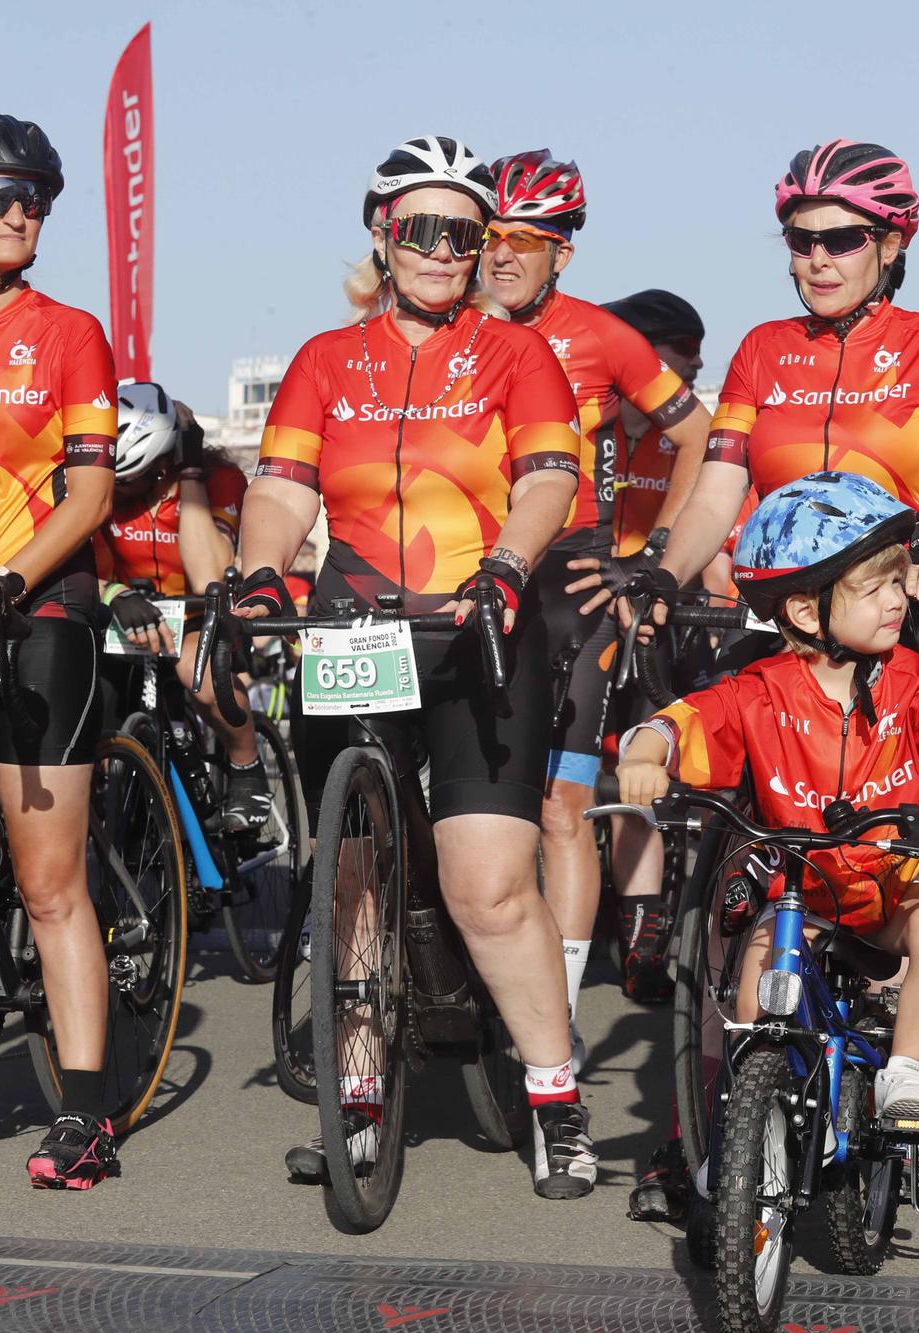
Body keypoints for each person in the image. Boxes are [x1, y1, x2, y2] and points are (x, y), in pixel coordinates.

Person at [237, 135, 596, 1200]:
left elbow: (546, 479)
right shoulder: (321, 360)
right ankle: (356, 1089)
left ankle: (554, 1093)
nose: (444, 250)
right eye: (421, 228)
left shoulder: (512, 353)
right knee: (350, 878)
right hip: (356, 627)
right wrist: (261, 574)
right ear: (382, 233)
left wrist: (506, 563)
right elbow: (285, 490)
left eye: (465, 233)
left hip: (481, 623)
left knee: (486, 889)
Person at [616, 472, 919, 1119]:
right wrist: (648, 750)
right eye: (874, 587)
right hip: (800, 897)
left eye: (898, 582)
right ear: (802, 610)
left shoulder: (910, 677)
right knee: (755, 988)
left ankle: (905, 1074)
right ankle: (747, 1124)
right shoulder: (762, 689)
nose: (897, 599)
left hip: (887, 892)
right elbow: (693, 717)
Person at [475, 151, 714, 1074]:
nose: (500, 256)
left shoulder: (604, 337)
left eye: (522, 242)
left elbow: (694, 435)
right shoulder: (445, 330)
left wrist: (650, 556)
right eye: (490, 237)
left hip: (572, 580)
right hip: (466, 569)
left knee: (564, 804)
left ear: (562, 253)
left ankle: (557, 1011)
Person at [635, 139, 919, 698]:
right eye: (802, 241)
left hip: (896, 609)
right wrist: (664, 575)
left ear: (891, 244)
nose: (818, 260)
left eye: (843, 240)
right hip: (778, 615)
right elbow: (714, 497)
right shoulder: (760, 348)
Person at [0, 113, 120, 1189]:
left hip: (35, 614)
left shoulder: (67, 331)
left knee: (50, 883)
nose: (21, 213)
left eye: (36, 198)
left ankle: (86, 1114)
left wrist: (6, 581)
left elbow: (91, 491)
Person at [594, 289, 710, 1008]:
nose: (696, 362)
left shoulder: (687, 435)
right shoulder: (592, 421)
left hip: (662, 610)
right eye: (681, 348)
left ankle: (644, 937)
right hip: (582, 610)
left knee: (643, 767)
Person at [96, 382, 269, 835]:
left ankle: (247, 767)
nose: (120, 492)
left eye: (132, 480)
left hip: (198, 617)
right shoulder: (104, 490)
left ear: (160, 464)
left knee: (202, 675)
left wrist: (191, 474)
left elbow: (208, 575)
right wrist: (113, 594)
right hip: (125, 621)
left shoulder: (221, 480)